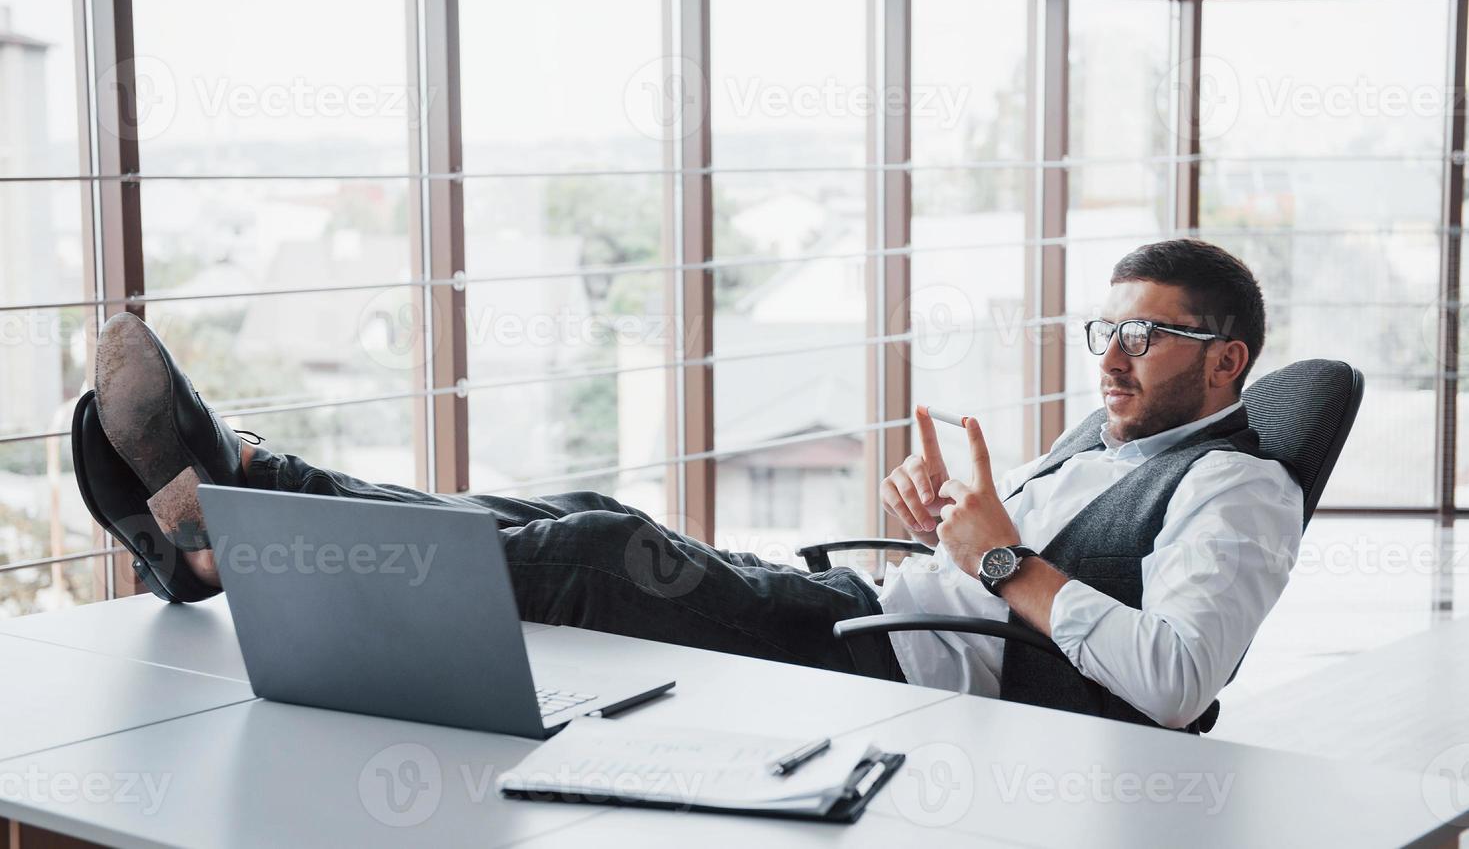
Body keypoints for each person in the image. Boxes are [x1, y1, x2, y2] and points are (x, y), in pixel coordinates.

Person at [78, 238, 1301, 732]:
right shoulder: (1099, 439)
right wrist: (947, 530)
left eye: (1142, 336)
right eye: (1105, 327)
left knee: (597, 555)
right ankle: (236, 499)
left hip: (892, 664)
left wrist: (992, 558)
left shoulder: (1237, 492)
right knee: (568, 514)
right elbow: (997, 571)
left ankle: (232, 506)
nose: (1109, 353)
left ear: (1226, 357)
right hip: (876, 608)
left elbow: (1178, 681)